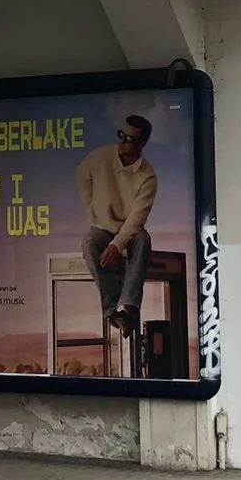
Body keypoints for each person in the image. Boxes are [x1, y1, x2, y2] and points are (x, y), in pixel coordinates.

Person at [76, 114, 158, 356]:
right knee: (90, 242)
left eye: (130, 139)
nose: (123, 141)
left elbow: (137, 219)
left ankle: (128, 307)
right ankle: (112, 311)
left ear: (142, 144)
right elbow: (81, 174)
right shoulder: (100, 157)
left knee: (143, 240)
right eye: (121, 135)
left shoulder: (148, 177)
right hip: (102, 226)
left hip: (130, 229)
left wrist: (116, 245)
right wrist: (90, 208)